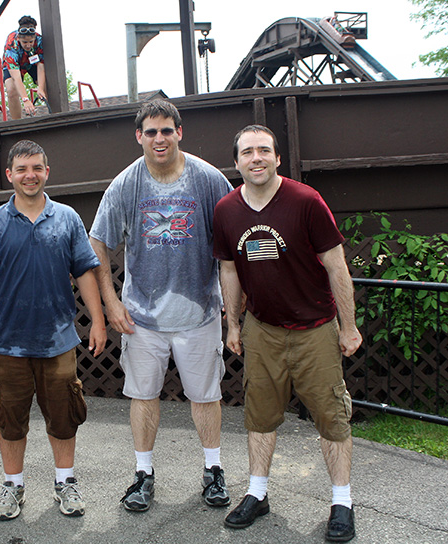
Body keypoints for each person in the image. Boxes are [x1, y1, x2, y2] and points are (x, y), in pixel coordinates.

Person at [213, 125, 362, 542]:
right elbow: (228, 269)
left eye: (264, 150)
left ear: (278, 158)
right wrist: (233, 324)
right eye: (247, 152)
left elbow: (336, 266)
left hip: (315, 328)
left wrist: (348, 327)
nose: (256, 157)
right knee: (259, 415)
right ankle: (257, 494)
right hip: (263, 330)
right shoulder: (226, 210)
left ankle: (342, 502)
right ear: (238, 161)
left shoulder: (305, 201)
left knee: (331, 418)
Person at [89, 99, 233, 512]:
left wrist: (231, 302)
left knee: (206, 396)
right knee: (143, 395)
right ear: (138, 137)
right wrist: (112, 303)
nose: (159, 138)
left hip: (199, 312)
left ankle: (213, 469)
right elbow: (97, 242)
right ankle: (143, 474)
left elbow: (230, 239)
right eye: (150, 132)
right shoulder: (126, 184)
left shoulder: (207, 179)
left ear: (179, 132)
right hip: (143, 318)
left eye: (166, 130)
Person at [0, 140, 106, 520]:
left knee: (63, 415)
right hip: (7, 342)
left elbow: (84, 272)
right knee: (9, 420)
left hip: (58, 339)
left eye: (37, 168)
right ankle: (13, 485)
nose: (30, 175)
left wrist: (97, 319)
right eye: (22, 169)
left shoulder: (67, 218)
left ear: (47, 172)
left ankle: (66, 482)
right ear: (10, 174)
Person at [2, 15, 47, 120]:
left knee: (46, 85)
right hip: (16, 64)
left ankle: (53, 116)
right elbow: (16, 78)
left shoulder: (39, 41)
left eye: (31, 42)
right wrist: (25, 99)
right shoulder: (11, 44)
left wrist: (40, 87)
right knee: (11, 90)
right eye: (25, 42)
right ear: (18, 38)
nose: (28, 45)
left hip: (31, 62)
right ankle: (17, 123)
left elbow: (41, 66)